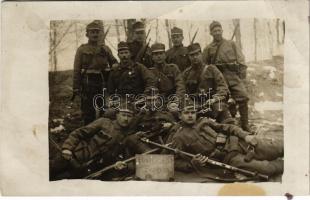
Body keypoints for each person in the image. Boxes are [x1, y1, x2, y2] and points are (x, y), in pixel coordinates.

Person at [165, 101, 283, 177]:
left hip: (238, 143)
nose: (190, 115)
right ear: (180, 115)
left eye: (193, 112)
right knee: (267, 169)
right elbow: (171, 161)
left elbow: (228, 127)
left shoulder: (204, 121)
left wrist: (245, 135)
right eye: (186, 113)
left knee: (277, 148)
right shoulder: (179, 137)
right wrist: (191, 164)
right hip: (229, 158)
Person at [49, 102, 137, 180]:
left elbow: (116, 156)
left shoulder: (126, 136)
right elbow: (78, 133)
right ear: (117, 115)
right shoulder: (104, 123)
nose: (126, 119)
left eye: (129, 116)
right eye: (123, 115)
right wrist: (67, 148)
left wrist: (117, 163)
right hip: (72, 156)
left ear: (133, 118)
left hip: (86, 169)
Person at [202, 21, 250, 131]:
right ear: (211, 33)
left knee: (243, 97)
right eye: (215, 31)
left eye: (219, 30)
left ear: (222, 31)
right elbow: (205, 66)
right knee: (222, 101)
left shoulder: (231, 44)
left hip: (232, 76)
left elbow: (241, 60)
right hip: (218, 78)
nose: (217, 33)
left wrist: (242, 77)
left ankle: (245, 124)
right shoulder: (208, 48)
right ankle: (228, 125)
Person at [72, 20, 117, 125]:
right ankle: (88, 133)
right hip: (88, 82)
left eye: (97, 32)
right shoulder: (82, 49)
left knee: (104, 109)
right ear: (87, 34)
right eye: (92, 32)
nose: (95, 34)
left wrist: (113, 67)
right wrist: (76, 87)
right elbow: (76, 69)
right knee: (88, 110)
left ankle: (103, 130)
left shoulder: (105, 49)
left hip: (102, 82)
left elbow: (114, 62)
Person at [183, 43, 234, 124]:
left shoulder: (212, 69)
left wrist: (214, 99)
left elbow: (222, 87)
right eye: (192, 55)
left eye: (197, 54)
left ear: (201, 54)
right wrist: (191, 104)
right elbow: (184, 92)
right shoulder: (186, 74)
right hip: (195, 106)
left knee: (221, 109)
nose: (195, 57)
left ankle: (231, 131)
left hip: (212, 104)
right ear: (189, 57)